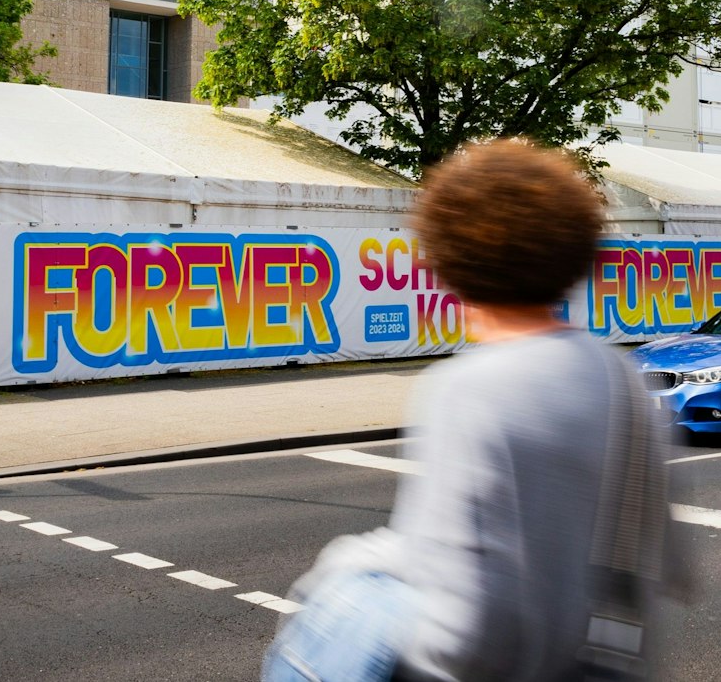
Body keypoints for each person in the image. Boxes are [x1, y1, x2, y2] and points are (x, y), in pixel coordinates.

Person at [264, 138, 684, 682]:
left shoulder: (469, 388)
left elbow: (463, 634)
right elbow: (667, 570)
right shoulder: (621, 379)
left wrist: (351, 573)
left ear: (448, 260)